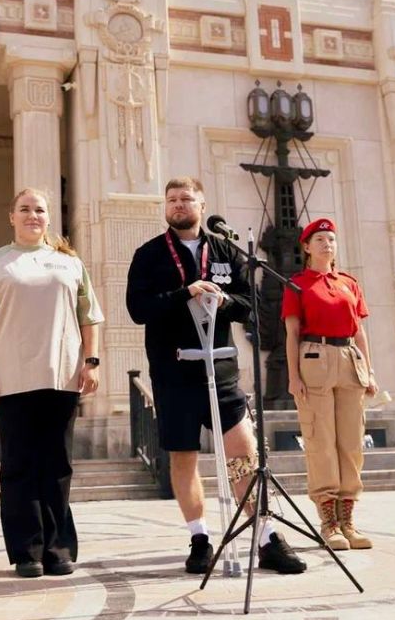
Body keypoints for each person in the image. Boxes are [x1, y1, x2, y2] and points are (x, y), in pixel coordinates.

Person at [126, 177, 306, 575]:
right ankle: (199, 538)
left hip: (221, 370)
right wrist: (184, 293)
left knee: (244, 453)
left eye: (186, 198)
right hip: (174, 372)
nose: (178, 205)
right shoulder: (150, 255)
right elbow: (138, 309)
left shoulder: (225, 249)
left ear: (202, 205)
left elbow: (251, 305)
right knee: (184, 457)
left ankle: (266, 537)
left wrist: (223, 301)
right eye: (171, 199)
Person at [0, 188, 103, 579]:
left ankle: (57, 548)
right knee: (18, 466)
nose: (33, 215)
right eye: (24, 209)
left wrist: (91, 363)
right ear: (11, 216)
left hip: (61, 376)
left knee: (57, 465)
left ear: (49, 219)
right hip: (11, 380)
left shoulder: (69, 263)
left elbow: (89, 316)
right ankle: (26, 552)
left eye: (40, 210)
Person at [282, 217, 378, 551]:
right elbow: (292, 333)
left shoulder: (350, 283)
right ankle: (329, 522)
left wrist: (369, 372)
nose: (327, 245)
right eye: (320, 239)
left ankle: (348, 519)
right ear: (307, 248)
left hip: (349, 360)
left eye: (331, 240)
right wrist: (293, 377)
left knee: (351, 443)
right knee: (320, 441)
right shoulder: (297, 285)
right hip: (314, 360)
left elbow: (359, 331)